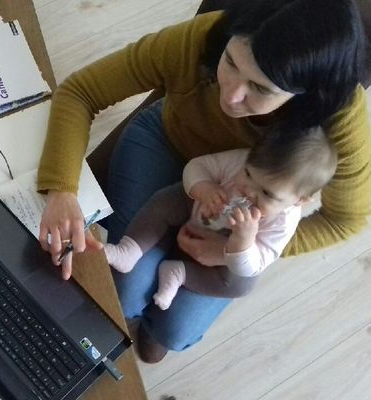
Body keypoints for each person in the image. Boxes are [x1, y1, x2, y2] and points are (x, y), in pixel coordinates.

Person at [37, 0, 371, 363]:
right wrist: (63, 191)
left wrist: (244, 246)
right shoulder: (200, 37)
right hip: (167, 144)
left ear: (304, 95)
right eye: (229, 63)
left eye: (261, 89)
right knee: (127, 289)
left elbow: (345, 220)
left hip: (239, 219)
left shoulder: (339, 119)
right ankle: (140, 318)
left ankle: (154, 330)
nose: (230, 95)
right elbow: (81, 91)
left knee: (176, 329)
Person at [102, 127, 337, 311]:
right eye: (248, 175)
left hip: (221, 256)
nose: (248, 190)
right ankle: (129, 250)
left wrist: (242, 240)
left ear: (299, 201)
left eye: (266, 194)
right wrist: (203, 188)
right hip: (194, 211)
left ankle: (180, 272)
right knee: (166, 199)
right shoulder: (240, 161)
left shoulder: (283, 223)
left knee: (242, 284)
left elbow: (256, 263)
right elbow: (198, 166)